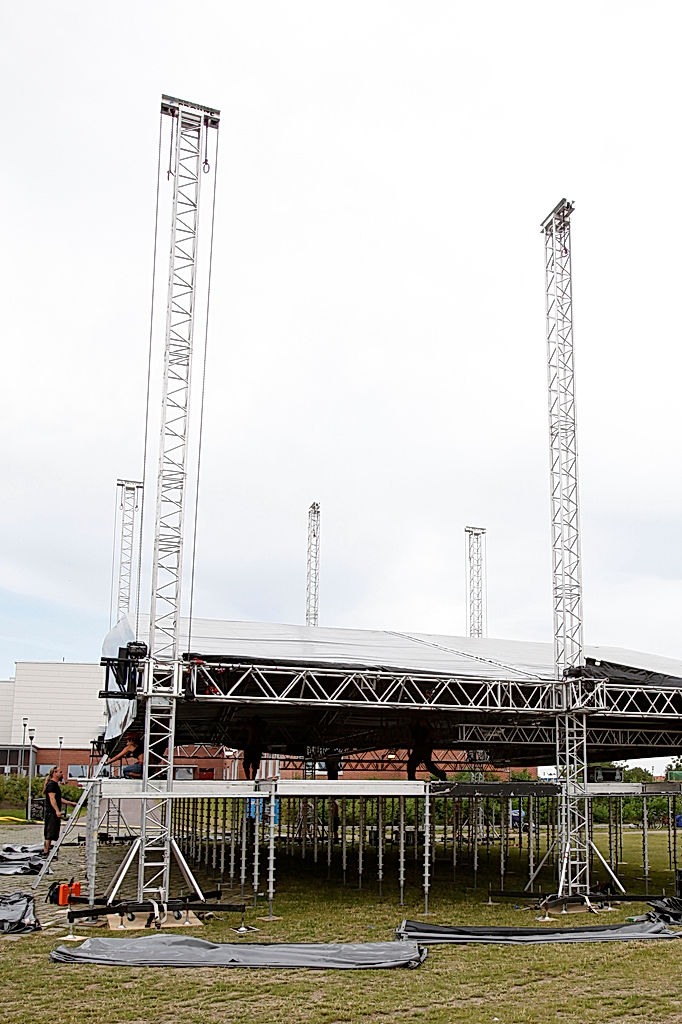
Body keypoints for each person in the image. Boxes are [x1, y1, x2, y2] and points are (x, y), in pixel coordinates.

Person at [42, 767, 77, 856]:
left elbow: (58, 798)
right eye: (60, 772)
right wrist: (57, 811)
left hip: (53, 812)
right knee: (49, 833)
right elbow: (52, 798)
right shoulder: (51, 785)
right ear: (54, 773)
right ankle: (46, 851)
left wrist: (70, 803)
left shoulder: (55, 785)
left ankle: (48, 850)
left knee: (53, 832)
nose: (62, 774)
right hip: (51, 812)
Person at [406, 717, 447, 782]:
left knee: (427, 765)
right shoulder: (413, 726)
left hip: (424, 747)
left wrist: (427, 741)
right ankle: (411, 779)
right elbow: (410, 737)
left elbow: (430, 732)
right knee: (412, 764)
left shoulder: (422, 724)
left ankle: (441, 775)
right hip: (419, 747)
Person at [242, 716, 264, 780]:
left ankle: (249, 778)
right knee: (254, 765)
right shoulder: (259, 727)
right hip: (255, 747)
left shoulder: (251, 727)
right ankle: (251, 778)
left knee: (248, 765)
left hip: (251, 747)